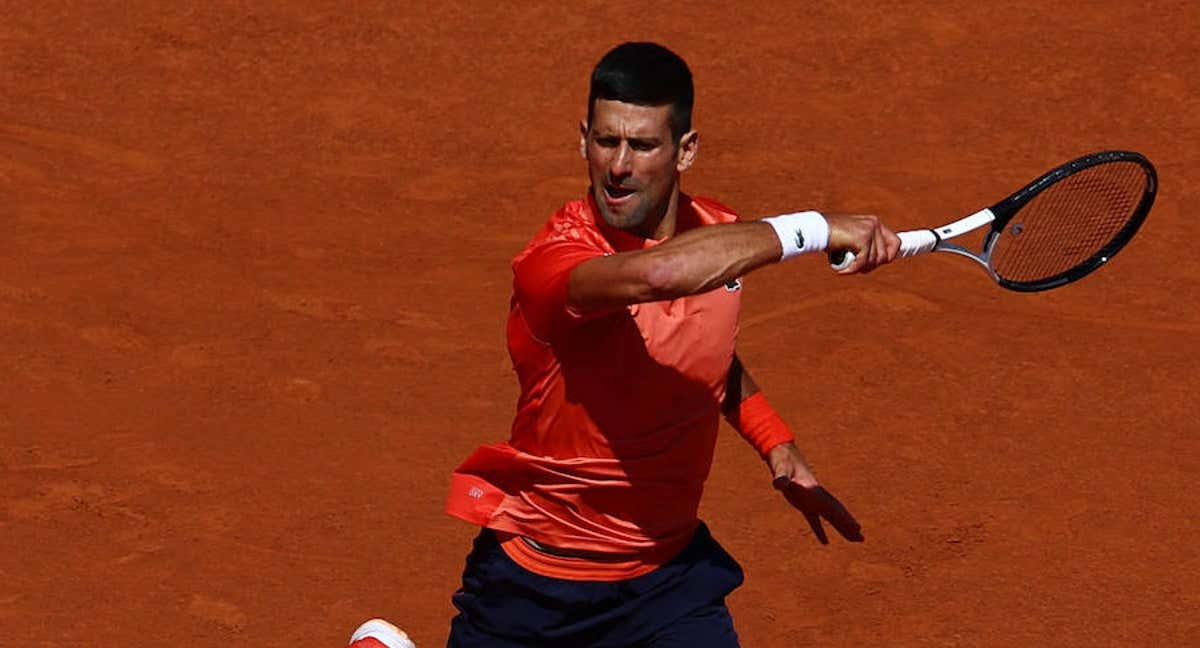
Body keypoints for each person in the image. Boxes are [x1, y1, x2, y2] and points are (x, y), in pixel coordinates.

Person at [438, 42, 899, 647]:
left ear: (685, 151)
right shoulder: (555, 262)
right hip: (536, 583)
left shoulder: (719, 235)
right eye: (606, 141)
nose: (619, 166)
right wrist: (813, 229)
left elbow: (698, 349)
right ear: (584, 140)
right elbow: (656, 277)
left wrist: (776, 443)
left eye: (643, 145)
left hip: (665, 584)